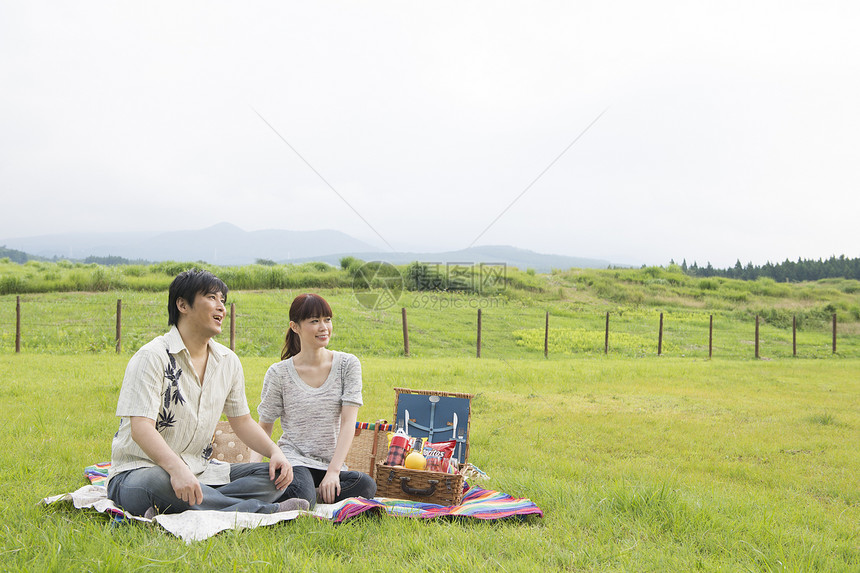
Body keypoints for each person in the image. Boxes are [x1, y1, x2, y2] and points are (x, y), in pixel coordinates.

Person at [107, 269, 308, 517]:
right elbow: (140, 427)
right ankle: (259, 510)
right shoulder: (152, 356)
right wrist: (177, 470)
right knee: (160, 483)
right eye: (212, 298)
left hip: (203, 471)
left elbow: (242, 421)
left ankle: (188, 504)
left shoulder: (228, 361)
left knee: (273, 477)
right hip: (141, 471)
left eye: (222, 300)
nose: (221, 307)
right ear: (182, 304)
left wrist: (275, 452)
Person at [252, 293, 376, 507]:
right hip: (294, 461)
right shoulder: (279, 374)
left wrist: (334, 472)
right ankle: (305, 494)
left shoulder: (348, 365)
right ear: (295, 326)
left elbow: (348, 422)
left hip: (331, 464)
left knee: (365, 485)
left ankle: (311, 495)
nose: (324, 327)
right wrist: (250, 470)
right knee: (301, 491)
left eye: (327, 319)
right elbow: (264, 427)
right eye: (314, 321)